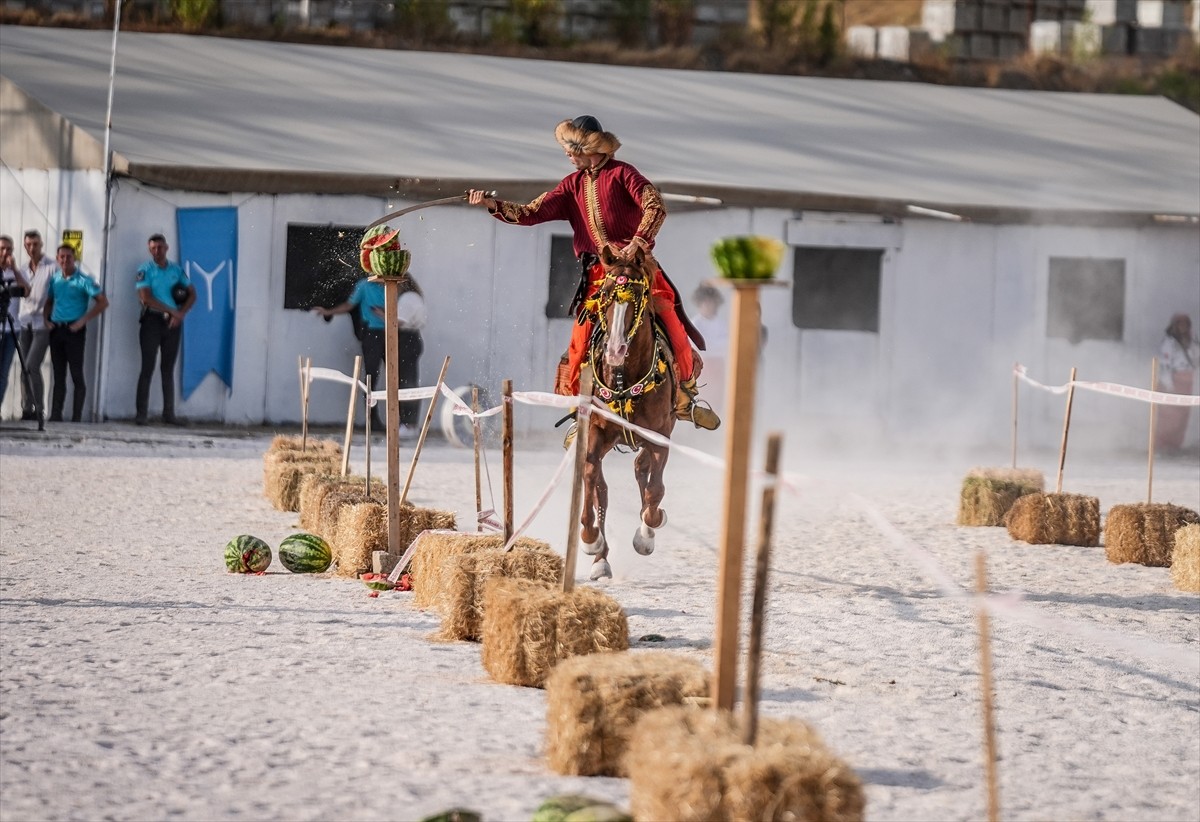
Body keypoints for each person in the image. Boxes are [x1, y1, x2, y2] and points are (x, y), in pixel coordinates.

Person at [467, 115, 720, 441]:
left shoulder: (623, 174)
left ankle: (685, 397)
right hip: (598, 275)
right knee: (581, 339)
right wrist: (492, 203)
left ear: (588, 148)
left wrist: (637, 243)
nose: (567, 156)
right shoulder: (571, 185)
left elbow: (655, 206)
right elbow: (532, 212)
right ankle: (579, 410)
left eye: (571, 150)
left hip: (638, 268)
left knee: (671, 323)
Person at [312, 275, 426, 438]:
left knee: (397, 377)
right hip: (373, 333)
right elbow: (350, 305)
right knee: (372, 375)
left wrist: (385, 314)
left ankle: (401, 421)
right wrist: (329, 312)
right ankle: (373, 420)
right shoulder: (364, 286)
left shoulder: (393, 286)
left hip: (393, 333)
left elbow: (400, 313)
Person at [134, 233, 196, 426]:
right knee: (147, 367)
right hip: (152, 320)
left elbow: (192, 294)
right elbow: (146, 297)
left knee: (167, 369)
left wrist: (181, 314)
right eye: (153, 248)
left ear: (166, 248)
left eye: (160, 247)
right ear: (149, 249)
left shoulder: (176, 270)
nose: (157, 251)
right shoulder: (145, 269)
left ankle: (169, 414)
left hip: (173, 324)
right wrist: (172, 311)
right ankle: (141, 414)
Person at [42, 244, 109, 422]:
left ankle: (76, 417)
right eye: (62, 257)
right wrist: (46, 319)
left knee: (76, 374)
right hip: (57, 330)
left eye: (68, 257)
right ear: (57, 259)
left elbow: (103, 302)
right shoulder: (55, 279)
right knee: (58, 375)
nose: (65, 260)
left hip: (74, 331)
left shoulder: (84, 280)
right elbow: (49, 301)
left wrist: (83, 321)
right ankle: (56, 415)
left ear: (75, 258)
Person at [17, 229, 55, 421]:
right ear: (25, 246)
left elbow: (57, 293)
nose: (32, 248)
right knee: (24, 367)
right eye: (29, 245)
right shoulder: (22, 269)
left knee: (32, 365)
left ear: (41, 245)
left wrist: (51, 316)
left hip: (42, 323)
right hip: (25, 322)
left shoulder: (51, 267)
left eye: (36, 244)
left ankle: (39, 409)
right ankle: (27, 408)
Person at [1155, 313, 1199, 453]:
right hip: (1173, 382)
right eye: (1180, 324)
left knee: (1183, 415)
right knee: (1169, 416)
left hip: (1187, 382)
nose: (1183, 327)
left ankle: (1175, 445)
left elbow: (1196, 359)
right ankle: (1162, 445)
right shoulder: (1169, 343)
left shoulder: (1192, 342)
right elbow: (1165, 365)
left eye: (1185, 324)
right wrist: (1169, 386)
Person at [0, 235, 31, 408]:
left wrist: (15, 269)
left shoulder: (18, 273)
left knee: (3, 373)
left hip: (11, 329)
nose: (5, 253)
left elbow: (26, 291)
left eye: (9, 249)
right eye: (2, 249)